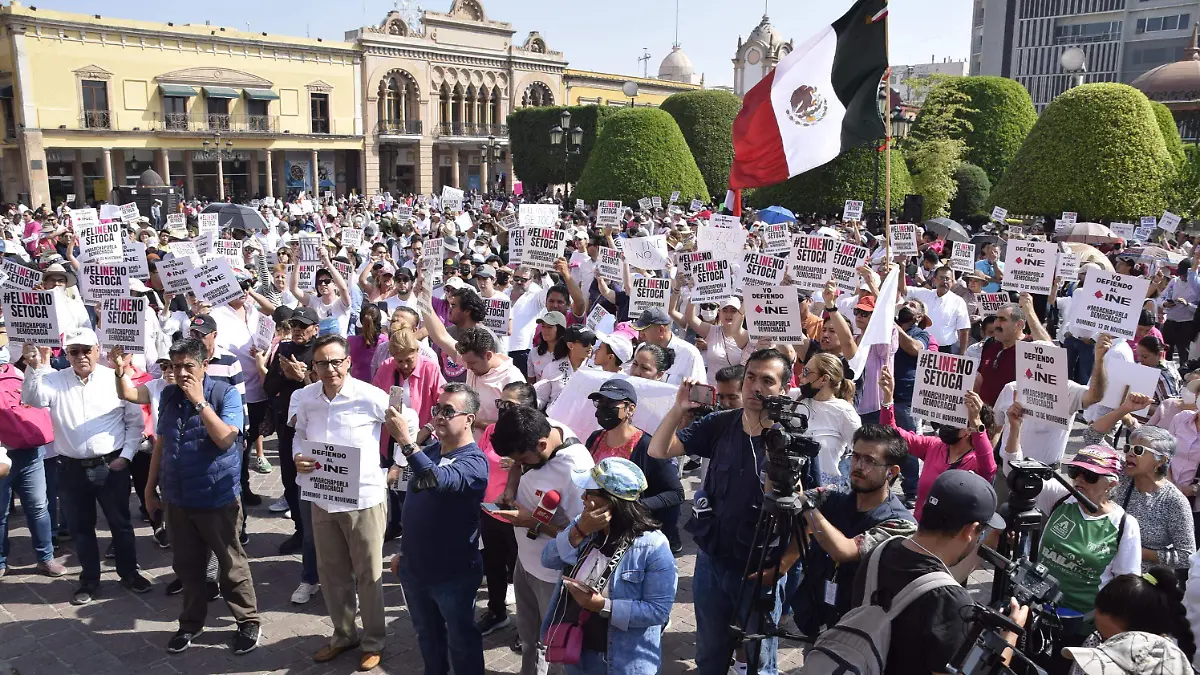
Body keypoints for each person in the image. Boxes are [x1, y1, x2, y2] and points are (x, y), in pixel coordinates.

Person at [648, 348, 798, 675]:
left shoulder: (792, 441)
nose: (755, 386)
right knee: (709, 657)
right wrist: (679, 408)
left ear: (783, 389)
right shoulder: (720, 424)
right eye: (751, 377)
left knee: (761, 663)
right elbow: (659, 449)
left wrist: (781, 568)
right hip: (711, 562)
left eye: (767, 381)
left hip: (759, 570)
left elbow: (809, 519)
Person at [143, 338, 260, 655]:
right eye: (175, 366)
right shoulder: (168, 396)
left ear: (204, 365)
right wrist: (150, 487)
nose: (181, 373)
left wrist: (199, 403)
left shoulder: (225, 394)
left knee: (230, 564)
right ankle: (190, 624)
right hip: (178, 499)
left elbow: (225, 439)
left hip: (216, 497)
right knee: (187, 567)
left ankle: (247, 621)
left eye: (188, 366)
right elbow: (162, 443)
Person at [21, 329, 151, 605]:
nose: (81, 356)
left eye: (86, 350)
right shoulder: (54, 379)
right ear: (66, 354)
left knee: (121, 525)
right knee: (81, 528)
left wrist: (126, 456)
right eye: (74, 351)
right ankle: (90, 580)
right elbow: (33, 400)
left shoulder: (114, 378)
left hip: (110, 465)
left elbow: (134, 423)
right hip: (70, 468)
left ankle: (129, 573)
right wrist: (33, 368)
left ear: (97, 349)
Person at [850, 470, 1020, 675]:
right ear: (970, 530)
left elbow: (927, 582)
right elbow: (937, 591)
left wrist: (985, 546)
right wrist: (1009, 636)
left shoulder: (880, 552)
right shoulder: (951, 602)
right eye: (980, 531)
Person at [291, 334, 392, 671]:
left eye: (336, 361)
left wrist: (397, 469)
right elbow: (298, 434)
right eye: (322, 363)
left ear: (348, 362)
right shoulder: (305, 398)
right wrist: (297, 456)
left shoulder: (371, 396)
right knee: (332, 572)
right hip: (322, 496)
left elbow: (408, 426)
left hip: (363, 498)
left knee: (369, 574)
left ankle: (374, 639)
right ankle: (343, 634)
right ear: (313, 366)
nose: (330, 369)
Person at [540, 457, 678, 675]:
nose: (583, 497)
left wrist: (603, 606)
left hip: (620, 662)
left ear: (611, 501)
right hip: (576, 650)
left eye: (590, 492)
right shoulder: (585, 524)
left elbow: (658, 612)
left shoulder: (653, 546)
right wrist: (579, 531)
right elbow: (548, 559)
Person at [1007, 439, 1142, 658]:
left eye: (1089, 476)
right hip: (1034, 609)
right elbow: (1013, 469)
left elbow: (1126, 586)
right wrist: (1015, 428)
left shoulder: (1125, 525)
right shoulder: (1062, 497)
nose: (1079, 480)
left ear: (1111, 484)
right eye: (1075, 471)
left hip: (1079, 624)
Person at [388, 383, 488, 675]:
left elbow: (435, 480)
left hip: (453, 575)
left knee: (461, 641)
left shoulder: (474, 462)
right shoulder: (430, 450)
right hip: (415, 570)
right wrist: (404, 554)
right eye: (437, 410)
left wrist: (406, 440)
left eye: (448, 411)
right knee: (427, 636)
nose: (440, 417)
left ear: (469, 418)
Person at [491, 405, 594, 675]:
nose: (520, 464)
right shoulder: (540, 426)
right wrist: (510, 489)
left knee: (555, 647)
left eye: (524, 458)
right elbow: (516, 462)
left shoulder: (577, 471)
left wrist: (532, 522)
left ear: (542, 443)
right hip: (525, 564)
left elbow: (581, 536)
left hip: (552, 576)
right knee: (529, 640)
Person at [789, 425, 916, 634]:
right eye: (855, 456)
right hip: (820, 618)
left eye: (869, 461)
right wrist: (778, 467)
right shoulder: (834, 498)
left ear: (891, 472)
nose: (857, 465)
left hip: (860, 632)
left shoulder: (900, 524)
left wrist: (806, 505)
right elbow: (783, 498)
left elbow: (845, 551)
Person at [879, 366, 996, 517]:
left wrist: (976, 422)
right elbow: (890, 435)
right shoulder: (934, 446)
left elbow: (989, 469)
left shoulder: (975, 462)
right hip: (921, 531)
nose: (946, 424)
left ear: (968, 430)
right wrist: (888, 398)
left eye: (954, 420)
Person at [584, 379, 684, 554]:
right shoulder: (595, 439)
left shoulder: (647, 447)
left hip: (630, 536)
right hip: (598, 531)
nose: (602, 408)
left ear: (630, 408)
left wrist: (635, 505)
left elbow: (675, 493)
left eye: (610, 403)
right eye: (600, 402)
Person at [475, 382, 536, 636]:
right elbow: (479, 464)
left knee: (521, 573)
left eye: (509, 405)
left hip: (518, 516)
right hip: (490, 511)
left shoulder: (533, 437)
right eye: (500, 403)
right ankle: (497, 611)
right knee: (493, 565)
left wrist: (520, 462)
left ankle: (528, 627)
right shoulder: (490, 431)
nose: (502, 409)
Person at [262, 306, 319, 574]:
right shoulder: (283, 350)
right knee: (289, 479)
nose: (298, 329)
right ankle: (299, 530)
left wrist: (303, 377)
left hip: (314, 429)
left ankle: (316, 533)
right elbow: (268, 387)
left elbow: (326, 388)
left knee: (313, 480)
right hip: (286, 425)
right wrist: (284, 374)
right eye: (294, 325)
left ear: (315, 330)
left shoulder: (322, 352)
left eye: (304, 326)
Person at [0, 345, 62, 577]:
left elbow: (41, 399)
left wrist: (37, 365)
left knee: (38, 507)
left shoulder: (19, 373)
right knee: (3, 512)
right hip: (4, 456)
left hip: (30, 452)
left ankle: (45, 557)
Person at [796, 353, 861, 488]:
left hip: (826, 494)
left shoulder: (844, 412)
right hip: (792, 489)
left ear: (824, 379)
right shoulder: (795, 399)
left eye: (806, 372)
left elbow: (862, 451)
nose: (800, 376)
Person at [669, 295, 748, 385]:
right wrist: (694, 294)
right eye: (725, 310)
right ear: (719, 313)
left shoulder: (747, 336)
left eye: (733, 311)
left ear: (741, 314)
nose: (728, 314)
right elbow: (690, 319)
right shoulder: (712, 331)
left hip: (736, 393)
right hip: (712, 391)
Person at [904, 265, 971, 355]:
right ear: (934, 280)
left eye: (947, 279)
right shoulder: (925, 294)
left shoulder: (958, 302)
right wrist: (901, 266)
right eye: (941, 278)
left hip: (947, 350)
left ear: (952, 281)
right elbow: (904, 290)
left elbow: (964, 330)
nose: (944, 281)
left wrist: (962, 355)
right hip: (924, 346)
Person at [630, 307, 706, 384]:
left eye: (644, 330)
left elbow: (699, 391)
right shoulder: (642, 348)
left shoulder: (690, 354)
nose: (640, 335)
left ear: (661, 330)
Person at [290, 246, 352, 336]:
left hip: (339, 348)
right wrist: (297, 263)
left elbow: (343, 288)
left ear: (335, 285)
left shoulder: (342, 303)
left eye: (327, 281)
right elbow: (293, 289)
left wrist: (327, 260)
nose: (323, 284)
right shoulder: (314, 302)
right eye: (319, 282)